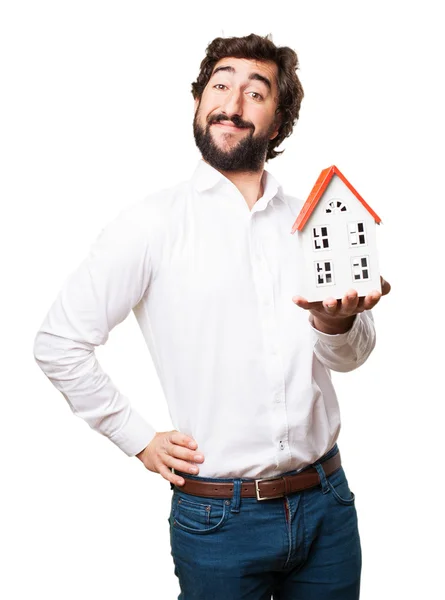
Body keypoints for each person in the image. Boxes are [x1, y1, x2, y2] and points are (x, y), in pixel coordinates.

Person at [33, 33, 390, 599]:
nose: (233, 103)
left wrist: (337, 324)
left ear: (278, 121)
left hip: (328, 505)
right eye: (220, 86)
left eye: (256, 92)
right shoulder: (150, 225)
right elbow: (59, 342)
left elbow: (355, 355)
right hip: (218, 522)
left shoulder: (313, 220)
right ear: (199, 104)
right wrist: (138, 438)